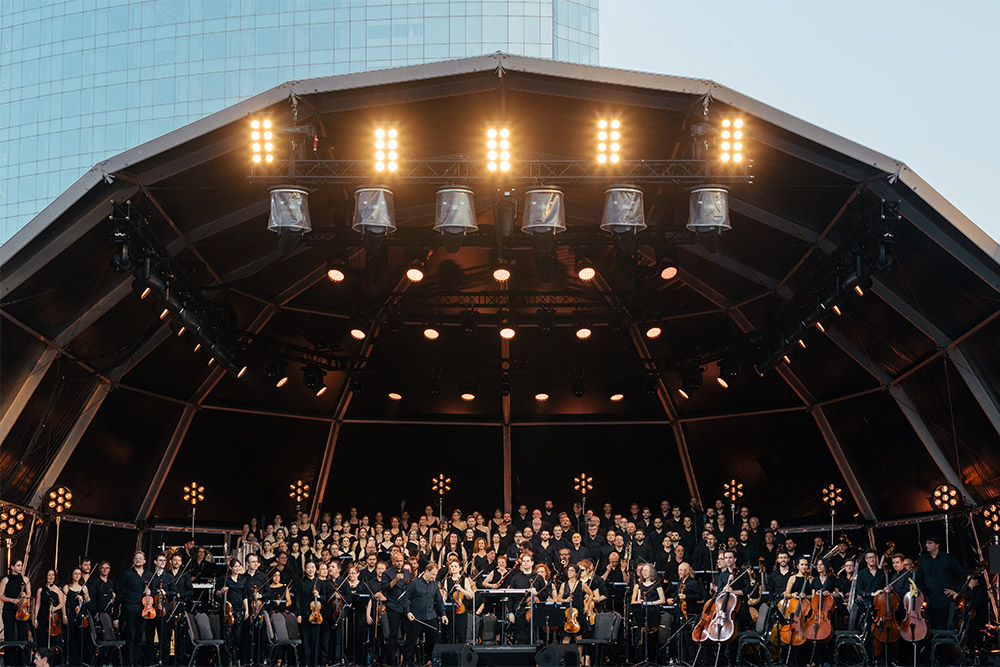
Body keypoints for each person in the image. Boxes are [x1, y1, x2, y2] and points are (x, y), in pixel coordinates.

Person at [915, 536, 965, 630]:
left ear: (937, 545)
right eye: (926, 543)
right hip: (928, 600)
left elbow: (962, 574)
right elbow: (918, 578)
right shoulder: (922, 560)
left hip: (943, 599)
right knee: (928, 628)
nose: (926, 545)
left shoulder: (947, 558)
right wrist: (922, 592)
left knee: (943, 627)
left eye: (930, 543)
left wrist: (956, 591)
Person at [404, 562, 448, 667]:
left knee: (436, 639)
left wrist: (443, 614)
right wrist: (408, 612)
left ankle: (434, 662)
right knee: (411, 642)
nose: (434, 577)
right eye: (433, 574)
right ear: (426, 571)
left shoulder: (434, 584)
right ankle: (407, 663)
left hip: (430, 616)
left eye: (435, 575)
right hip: (416, 617)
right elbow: (406, 598)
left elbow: (439, 601)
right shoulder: (415, 583)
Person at [116, 551, 154, 666]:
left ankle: (138, 662)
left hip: (144, 608)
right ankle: (130, 662)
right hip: (130, 607)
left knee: (139, 636)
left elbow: (154, 589)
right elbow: (118, 588)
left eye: (140, 558)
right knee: (130, 635)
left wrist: (150, 592)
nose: (138, 560)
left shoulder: (149, 575)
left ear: (145, 561)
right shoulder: (127, 574)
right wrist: (126, 598)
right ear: (133, 561)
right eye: (136, 558)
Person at [1, 558, 33, 663]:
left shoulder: (25, 579)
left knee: (23, 635)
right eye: (18, 565)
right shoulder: (6, 580)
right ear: (12, 567)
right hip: (9, 610)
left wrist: (25, 595)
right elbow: (0, 596)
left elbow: (29, 594)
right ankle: (9, 662)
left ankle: (22, 661)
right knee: (9, 635)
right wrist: (11, 600)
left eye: (21, 565)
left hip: (22, 610)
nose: (20, 567)